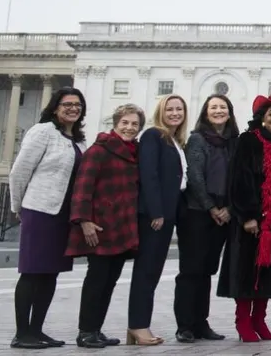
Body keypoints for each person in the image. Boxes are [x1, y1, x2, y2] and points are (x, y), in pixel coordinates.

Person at [218, 92, 271, 343]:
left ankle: (259, 320)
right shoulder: (248, 141)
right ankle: (243, 321)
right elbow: (239, 180)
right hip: (253, 221)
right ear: (262, 118)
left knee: (267, 272)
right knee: (246, 271)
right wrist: (248, 216)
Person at [9, 88, 88, 349]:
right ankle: (22, 334)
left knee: (50, 274)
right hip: (40, 210)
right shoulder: (43, 132)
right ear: (55, 107)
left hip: (63, 214)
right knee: (32, 272)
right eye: (67, 104)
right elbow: (20, 170)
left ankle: (37, 330)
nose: (72, 109)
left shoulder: (77, 141)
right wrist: (18, 206)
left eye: (77, 105)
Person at [66, 103, 143, 349]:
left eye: (134, 124)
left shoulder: (135, 151)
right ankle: (85, 331)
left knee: (110, 281)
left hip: (122, 225)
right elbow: (82, 186)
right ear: (116, 123)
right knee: (96, 280)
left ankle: (96, 329)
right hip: (99, 225)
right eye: (125, 123)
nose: (129, 128)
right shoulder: (99, 150)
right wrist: (84, 220)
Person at [175, 94, 238, 343]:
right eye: (214, 107)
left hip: (224, 214)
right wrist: (212, 207)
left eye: (223, 107)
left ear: (230, 112)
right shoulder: (197, 139)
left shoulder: (234, 142)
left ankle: (201, 323)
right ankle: (185, 325)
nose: (218, 111)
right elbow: (195, 177)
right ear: (205, 112)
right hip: (197, 213)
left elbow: (238, 179)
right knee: (191, 270)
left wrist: (229, 209)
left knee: (206, 271)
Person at [130, 94, 189, 345]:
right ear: (161, 111)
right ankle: (138, 325)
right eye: (170, 109)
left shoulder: (174, 140)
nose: (175, 113)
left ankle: (138, 326)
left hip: (168, 214)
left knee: (152, 271)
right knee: (146, 271)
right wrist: (156, 212)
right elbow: (148, 174)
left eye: (179, 109)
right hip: (156, 216)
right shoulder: (153, 135)